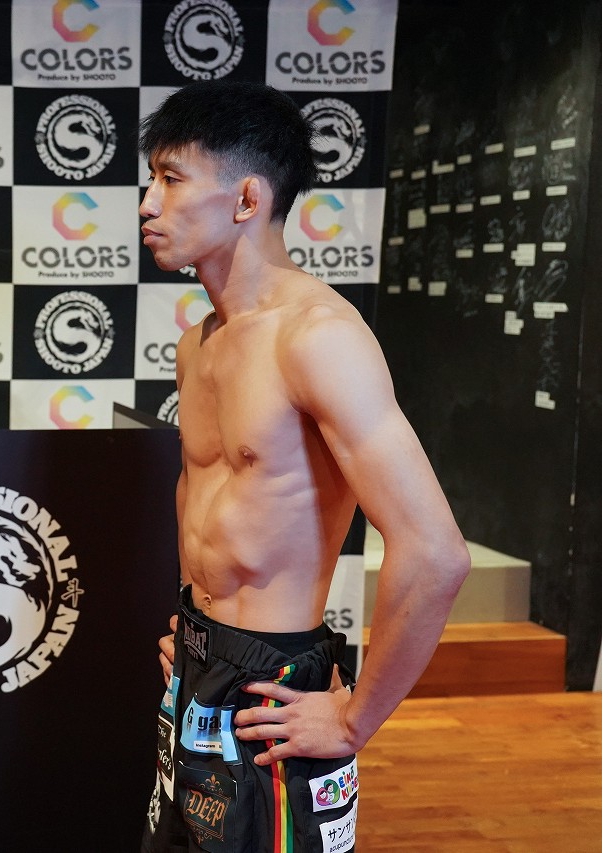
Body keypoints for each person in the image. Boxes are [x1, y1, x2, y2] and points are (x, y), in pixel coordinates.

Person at [136, 81, 470, 852]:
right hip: (196, 670)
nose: (149, 203)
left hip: (275, 688)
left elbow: (435, 552)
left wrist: (354, 718)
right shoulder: (198, 344)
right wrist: (194, 632)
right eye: (152, 179)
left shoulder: (318, 337)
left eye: (171, 178)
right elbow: (203, 497)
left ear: (247, 198)